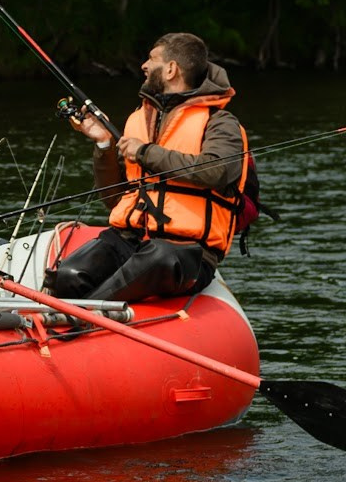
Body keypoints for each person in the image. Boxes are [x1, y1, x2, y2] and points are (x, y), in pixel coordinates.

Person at [51, 31, 251, 303]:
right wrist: (104, 145)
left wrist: (146, 152)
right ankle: (75, 313)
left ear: (171, 69)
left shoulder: (221, 122)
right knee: (69, 275)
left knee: (159, 257)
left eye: (151, 59)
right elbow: (114, 199)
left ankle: (84, 314)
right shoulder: (140, 119)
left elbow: (216, 172)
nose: (144, 65)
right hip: (129, 240)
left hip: (188, 252)